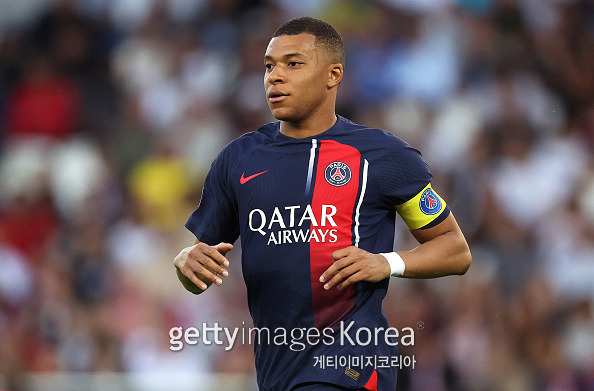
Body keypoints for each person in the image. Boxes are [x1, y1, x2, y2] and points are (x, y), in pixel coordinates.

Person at [174, 16, 471, 391]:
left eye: (293, 64)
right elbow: (199, 274)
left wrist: (386, 262)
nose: (274, 76)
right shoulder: (238, 160)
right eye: (269, 66)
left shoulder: (381, 155)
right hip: (277, 367)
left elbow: (455, 250)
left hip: (353, 358)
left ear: (333, 75)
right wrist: (187, 264)